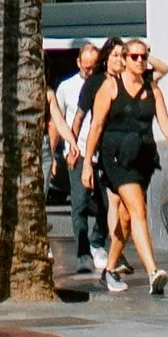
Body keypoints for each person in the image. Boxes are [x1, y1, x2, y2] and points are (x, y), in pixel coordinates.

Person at [85, 36, 168, 297]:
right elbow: (96, 125)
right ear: (125, 59)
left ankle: (109, 269)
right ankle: (153, 271)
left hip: (142, 158)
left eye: (144, 56)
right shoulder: (110, 87)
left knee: (127, 218)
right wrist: (87, 162)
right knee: (138, 209)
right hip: (116, 157)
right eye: (134, 57)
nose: (140, 61)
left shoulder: (153, 90)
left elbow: (164, 122)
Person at [49, 44, 104, 271]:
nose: (90, 72)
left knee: (105, 204)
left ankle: (97, 241)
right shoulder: (66, 87)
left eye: (94, 67)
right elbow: (57, 121)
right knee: (79, 203)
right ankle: (83, 254)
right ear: (79, 63)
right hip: (77, 152)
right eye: (87, 67)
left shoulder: (105, 84)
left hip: (101, 153)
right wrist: (58, 151)